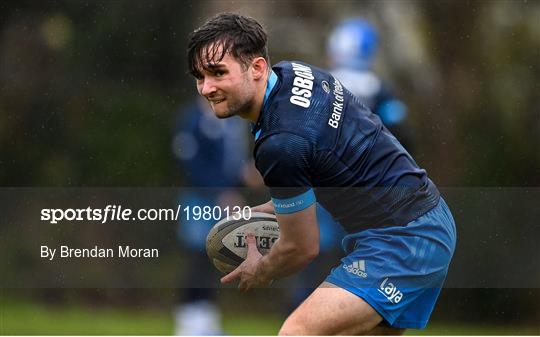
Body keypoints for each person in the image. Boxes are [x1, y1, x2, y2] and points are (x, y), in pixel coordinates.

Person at [187, 13, 456, 334]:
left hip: (405, 239)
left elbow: (301, 247)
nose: (207, 88)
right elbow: (327, 170)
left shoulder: (280, 143)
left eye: (218, 73)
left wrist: (261, 270)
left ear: (257, 67)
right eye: (199, 77)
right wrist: (269, 210)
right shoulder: (294, 73)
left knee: (297, 331)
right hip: (416, 220)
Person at [171, 96, 259, 335]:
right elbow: (192, 166)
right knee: (197, 260)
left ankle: (207, 324)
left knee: (215, 261)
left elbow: (230, 162)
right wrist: (220, 193)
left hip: (224, 202)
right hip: (200, 201)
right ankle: (187, 326)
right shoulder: (191, 120)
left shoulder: (232, 120)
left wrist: (245, 174)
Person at [327, 18, 413, 152]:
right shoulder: (377, 88)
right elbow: (400, 133)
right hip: (368, 161)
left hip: (326, 160)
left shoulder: (323, 81)